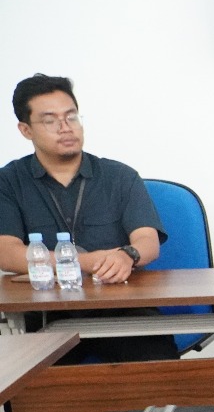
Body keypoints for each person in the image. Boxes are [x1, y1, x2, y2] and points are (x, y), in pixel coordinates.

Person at [0, 74, 178, 363]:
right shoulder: (8, 182)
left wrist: (127, 255)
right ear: (25, 130)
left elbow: (148, 241)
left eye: (72, 117)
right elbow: (6, 253)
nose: (65, 128)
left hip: (120, 306)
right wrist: (88, 261)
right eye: (50, 120)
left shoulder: (120, 176)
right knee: (31, 380)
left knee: (153, 362)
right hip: (45, 313)